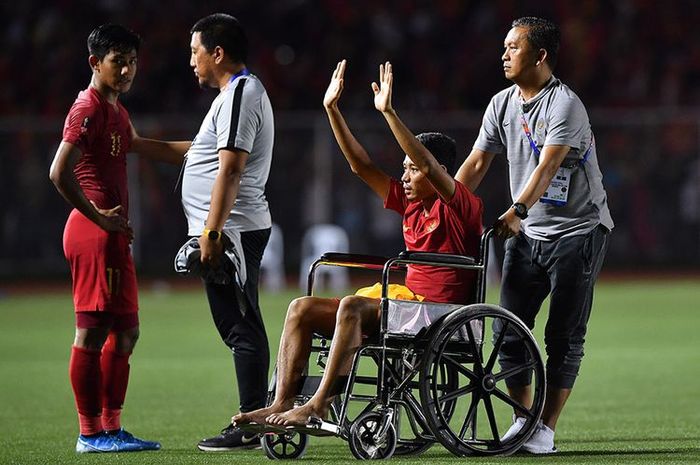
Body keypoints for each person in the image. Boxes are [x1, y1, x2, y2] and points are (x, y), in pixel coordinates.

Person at [232, 59, 483, 429]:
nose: (406, 175)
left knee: (352, 305)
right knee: (300, 308)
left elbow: (428, 166)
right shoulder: (410, 201)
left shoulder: (462, 204)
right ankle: (282, 402)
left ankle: (317, 405)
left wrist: (389, 113)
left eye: (411, 168)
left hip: (439, 313)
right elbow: (361, 166)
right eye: (404, 168)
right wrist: (332, 110)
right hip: (405, 305)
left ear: (440, 172)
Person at [456, 17, 613, 454]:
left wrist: (516, 211)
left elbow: (547, 167)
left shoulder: (565, 105)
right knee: (509, 333)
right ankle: (522, 422)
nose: (503, 54)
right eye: (503, 46)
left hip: (578, 231)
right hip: (527, 234)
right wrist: (446, 206)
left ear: (540, 56)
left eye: (513, 47)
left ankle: (544, 429)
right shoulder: (500, 103)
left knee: (563, 336)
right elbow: (476, 162)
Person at [49, 24, 188, 453]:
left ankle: (111, 428)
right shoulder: (87, 109)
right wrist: (99, 218)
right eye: (117, 61)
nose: (127, 70)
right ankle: (89, 434)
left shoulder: (116, 111)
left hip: (113, 233)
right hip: (94, 232)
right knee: (92, 333)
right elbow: (58, 172)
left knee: (127, 333)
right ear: (95, 63)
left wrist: (208, 148)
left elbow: (144, 147)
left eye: (132, 62)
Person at [181, 14, 275, 451]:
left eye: (196, 51)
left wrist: (213, 233)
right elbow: (203, 153)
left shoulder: (240, 93)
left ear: (217, 53)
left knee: (240, 325)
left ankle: (253, 421)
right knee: (239, 323)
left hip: (232, 230)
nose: (192, 61)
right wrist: (141, 145)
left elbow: (231, 168)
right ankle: (257, 414)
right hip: (231, 228)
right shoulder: (233, 95)